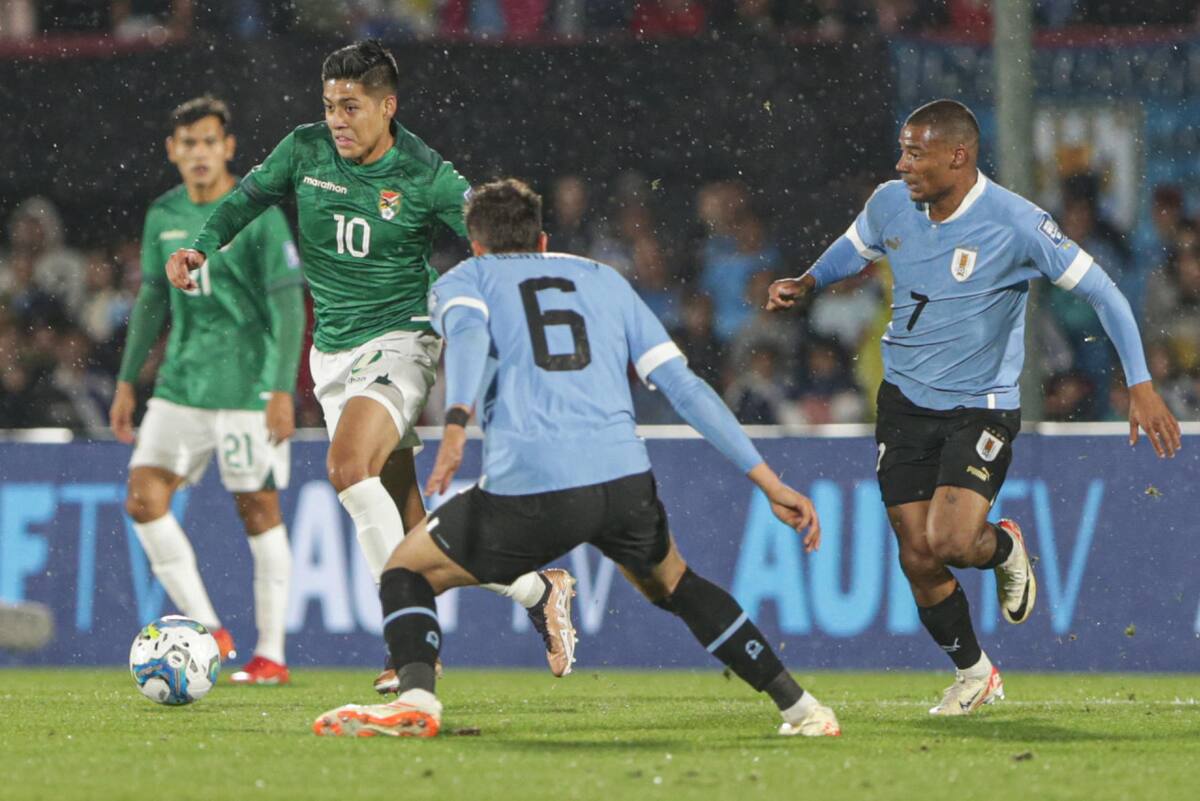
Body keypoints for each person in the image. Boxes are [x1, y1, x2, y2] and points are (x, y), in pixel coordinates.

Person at [311, 178, 841, 739]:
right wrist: (767, 480)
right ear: (542, 240)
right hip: (623, 482)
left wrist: (457, 421)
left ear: (477, 244)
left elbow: (465, 335)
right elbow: (684, 386)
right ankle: (802, 708)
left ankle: (417, 700)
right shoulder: (604, 279)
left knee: (404, 571)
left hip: (531, 486)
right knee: (675, 584)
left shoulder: (466, 279)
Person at [164, 41, 575, 691]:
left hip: (403, 339)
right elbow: (246, 198)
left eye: (351, 107)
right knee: (415, 531)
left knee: (347, 467)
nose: (336, 120)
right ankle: (537, 588)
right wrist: (201, 246)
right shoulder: (304, 149)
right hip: (333, 354)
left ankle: (407, 648)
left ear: (388, 107)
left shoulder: (425, 174)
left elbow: (489, 235)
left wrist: (527, 291)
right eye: (329, 105)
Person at [765, 99, 1182, 715]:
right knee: (917, 554)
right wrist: (809, 281)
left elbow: (1105, 293)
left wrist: (1141, 384)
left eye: (916, 153)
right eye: (902, 151)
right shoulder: (890, 202)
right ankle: (974, 673)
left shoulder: (1017, 223)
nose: (902, 164)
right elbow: (855, 247)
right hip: (904, 401)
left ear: (958, 155)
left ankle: (1004, 548)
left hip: (978, 407)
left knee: (953, 541)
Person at [111, 96, 305, 684]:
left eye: (209, 142)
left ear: (228, 148)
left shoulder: (257, 214)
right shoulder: (163, 213)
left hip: (248, 390)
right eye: (188, 143)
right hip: (181, 386)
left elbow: (288, 306)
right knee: (143, 498)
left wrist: (282, 389)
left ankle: (271, 654)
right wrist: (126, 380)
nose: (199, 153)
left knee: (259, 511)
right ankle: (209, 629)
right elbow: (151, 300)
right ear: (173, 150)